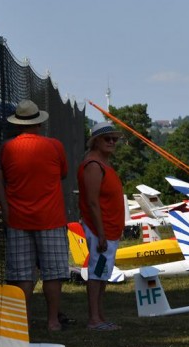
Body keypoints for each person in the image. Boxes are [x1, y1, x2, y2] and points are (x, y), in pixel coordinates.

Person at [0, 99, 71, 332]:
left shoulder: (7, 148)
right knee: (53, 274)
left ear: (17, 124)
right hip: (51, 218)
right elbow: (63, 174)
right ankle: (52, 321)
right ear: (39, 122)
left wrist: (5, 209)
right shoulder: (55, 146)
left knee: (21, 276)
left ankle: (22, 324)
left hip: (17, 219)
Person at [78, 121, 125, 331]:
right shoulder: (93, 166)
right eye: (107, 138)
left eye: (114, 139)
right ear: (96, 141)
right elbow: (92, 202)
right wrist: (101, 233)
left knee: (103, 273)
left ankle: (100, 316)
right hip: (101, 230)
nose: (112, 142)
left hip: (108, 229)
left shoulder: (103, 163)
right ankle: (94, 319)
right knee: (97, 273)